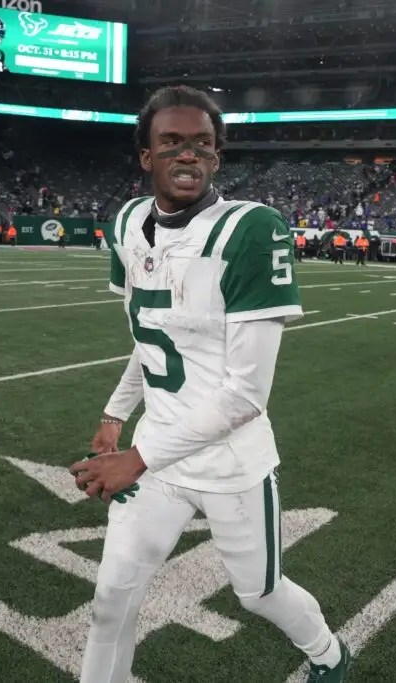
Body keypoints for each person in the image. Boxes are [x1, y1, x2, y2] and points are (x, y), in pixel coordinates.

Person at [69, 85, 351, 683]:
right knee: (109, 602)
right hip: (160, 459)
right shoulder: (126, 222)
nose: (188, 154)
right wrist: (116, 413)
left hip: (229, 463)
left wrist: (135, 458)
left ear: (217, 156)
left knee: (260, 594)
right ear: (147, 156)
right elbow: (151, 339)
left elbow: (245, 397)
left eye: (202, 143)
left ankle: (328, 654)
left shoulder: (251, 229)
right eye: (171, 142)